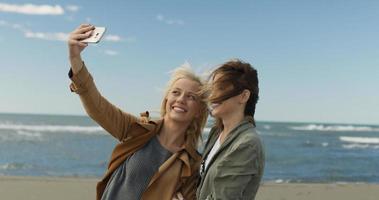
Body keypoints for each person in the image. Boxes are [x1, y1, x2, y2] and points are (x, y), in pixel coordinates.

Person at [67, 24, 208, 200]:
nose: (181, 99)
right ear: (167, 99)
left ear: (198, 111)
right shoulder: (137, 130)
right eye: (176, 92)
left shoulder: (193, 164)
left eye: (191, 97)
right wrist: (75, 57)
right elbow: (98, 107)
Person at [196, 59, 265, 200]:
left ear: (244, 96)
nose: (212, 95)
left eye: (221, 88)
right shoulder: (216, 133)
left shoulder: (247, 144)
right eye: (213, 88)